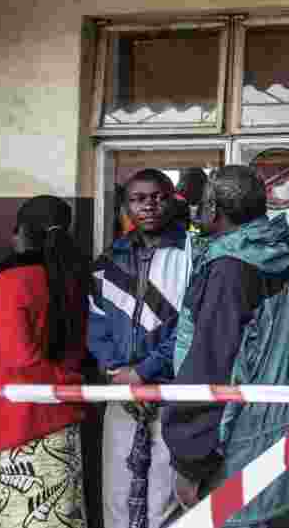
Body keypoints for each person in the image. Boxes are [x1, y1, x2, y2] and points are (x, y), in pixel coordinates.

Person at [162, 165, 289, 527]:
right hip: (276, 434)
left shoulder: (229, 270)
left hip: (233, 444)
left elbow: (212, 362)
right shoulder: (280, 253)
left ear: (212, 209)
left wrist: (190, 460)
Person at [88, 168, 191, 528]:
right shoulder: (109, 261)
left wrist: (144, 372)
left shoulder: (193, 255)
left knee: (165, 499)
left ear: (172, 199)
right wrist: (118, 372)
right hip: (121, 392)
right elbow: (96, 322)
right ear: (126, 207)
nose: (148, 205)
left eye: (157, 197)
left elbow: (189, 329)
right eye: (138, 199)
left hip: (171, 392)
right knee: (117, 497)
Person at [0, 196, 90, 528]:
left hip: (13, 422)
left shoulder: (9, 283)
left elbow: (20, 359)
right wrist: (69, 385)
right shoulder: (76, 278)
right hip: (61, 421)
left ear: (23, 233)